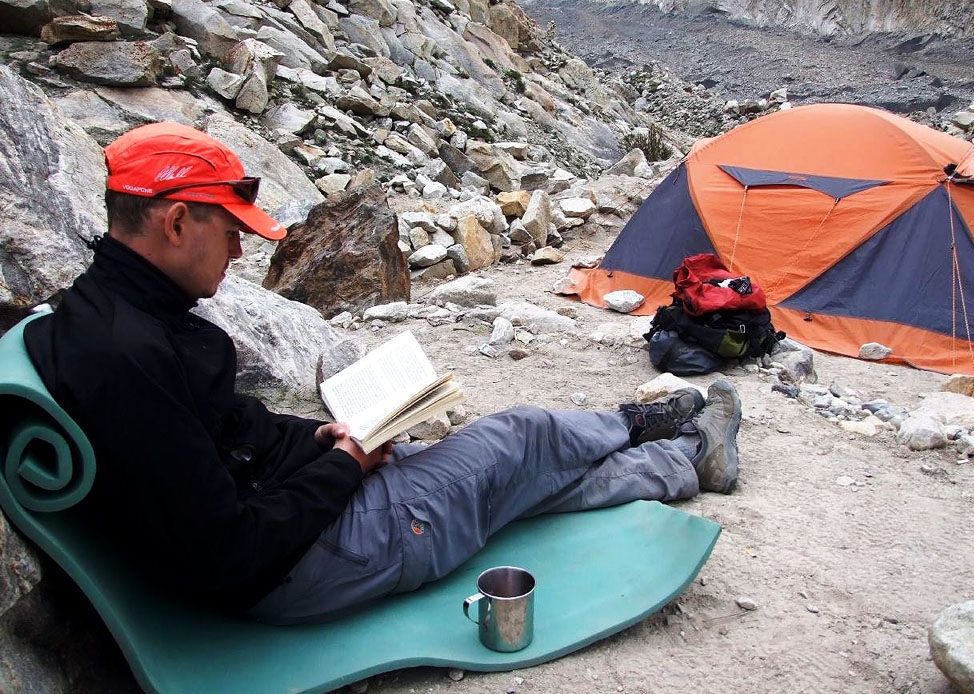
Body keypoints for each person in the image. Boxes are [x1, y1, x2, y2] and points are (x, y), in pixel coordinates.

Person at [24, 122, 743, 625]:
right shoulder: (129, 357)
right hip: (304, 563)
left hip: (293, 519)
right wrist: (345, 466)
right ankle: (640, 424)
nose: (241, 250)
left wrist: (318, 442)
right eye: (231, 230)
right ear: (177, 222)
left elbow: (223, 432)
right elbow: (229, 550)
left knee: (509, 483)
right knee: (517, 440)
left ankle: (680, 459)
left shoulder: (108, 309)